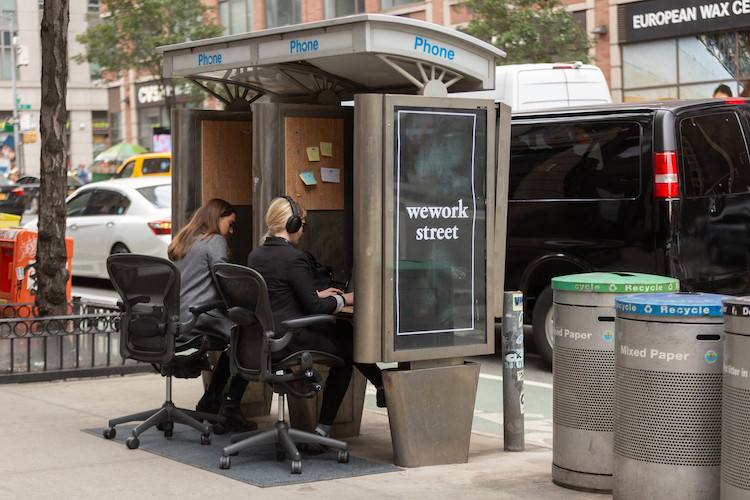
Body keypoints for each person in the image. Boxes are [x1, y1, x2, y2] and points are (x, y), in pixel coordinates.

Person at [247, 196, 385, 442]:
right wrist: (347, 299)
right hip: (290, 339)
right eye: (302, 224)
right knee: (346, 356)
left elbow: (281, 293)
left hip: (266, 339)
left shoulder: (256, 256)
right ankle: (323, 429)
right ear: (291, 224)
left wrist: (319, 293)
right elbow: (315, 306)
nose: (302, 229)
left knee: (344, 332)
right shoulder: (294, 259)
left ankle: (381, 385)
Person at [167, 198, 256, 433]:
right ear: (218, 219)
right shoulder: (214, 239)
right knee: (251, 337)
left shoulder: (185, 239)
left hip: (178, 319)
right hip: (201, 317)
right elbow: (223, 279)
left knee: (235, 342)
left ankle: (211, 401)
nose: (232, 230)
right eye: (230, 223)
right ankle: (230, 407)